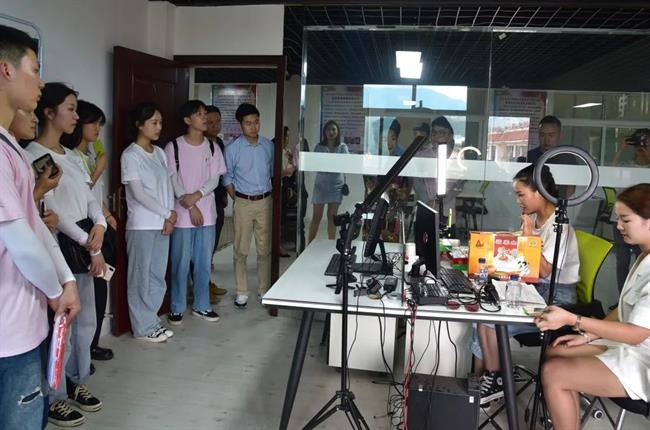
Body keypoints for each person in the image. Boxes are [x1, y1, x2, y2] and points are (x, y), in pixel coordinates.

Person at [0, 25, 80, 430]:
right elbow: (20, 241)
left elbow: (34, 226)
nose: (41, 81)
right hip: (8, 330)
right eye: (34, 68)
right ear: (6, 70)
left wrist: (66, 280)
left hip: (22, 325)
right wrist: (55, 291)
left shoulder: (10, 147)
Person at [537, 183, 650, 430]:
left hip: (643, 360)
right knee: (556, 352)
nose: (618, 226)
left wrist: (574, 320)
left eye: (625, 220)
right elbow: (624, 309)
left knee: (554, 372)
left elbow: (637, 333)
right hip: (630, 346)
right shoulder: (644, 256)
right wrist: (588, 336)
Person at [26, 82, 106, 426]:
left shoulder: (72, 155)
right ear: (49, 112)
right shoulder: (32, 156)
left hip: (87, 244)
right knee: (63, 326)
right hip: (61, 247)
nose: (76, 116)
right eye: (70, 109)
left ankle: (75, 380)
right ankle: (55, 395)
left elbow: (89, 197)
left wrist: (100, 224)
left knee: (86, 322)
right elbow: (52, 214)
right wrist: (89, 242)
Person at [472, 164, 580, 405]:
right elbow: (524, 260)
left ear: (539, 192)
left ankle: (496, 378)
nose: (517, 200)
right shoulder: (535, 219)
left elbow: (543, 270)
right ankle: (484, 376)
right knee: (481, 313)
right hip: (534, 289)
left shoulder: (559, 226)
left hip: (556, 298)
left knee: (489, 320)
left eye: (521, 194)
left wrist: (529, 236)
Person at [60, 100, 115, 362]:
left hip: (98, 226)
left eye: (100, 124)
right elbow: (85, 192)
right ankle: (83, 351)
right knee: (88, 292)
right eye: (93, 123)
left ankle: (90, 345)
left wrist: (107, 217)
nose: (97, 129)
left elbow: (94, 197)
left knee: (101, 287)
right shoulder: (71, 157)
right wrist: (99, 169)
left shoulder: (91, 151)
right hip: (81, 233)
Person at [164, 100, 225, 324]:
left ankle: (202, 305)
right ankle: (177, 306)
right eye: (199, 114)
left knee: (203, 262)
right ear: (187, 120)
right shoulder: (173, 147)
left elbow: (214, 179)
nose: (205, 118)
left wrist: (197, 196)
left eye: (205, 113)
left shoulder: (212, 147)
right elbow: (172, 180)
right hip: (182, 215)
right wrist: (189, 205)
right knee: (180, 262)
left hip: (207, 214)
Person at [121, 102, 177, 342]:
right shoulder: (130, 155)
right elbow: (138, 194)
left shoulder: (160, 153)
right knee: (140, 277)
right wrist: (167, 213)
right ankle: (143, 327)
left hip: (162, 222)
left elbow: (168, 186)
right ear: (139, 125)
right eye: (153, 122)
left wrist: (170, 215)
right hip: (142, 225)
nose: (158, 127)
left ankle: (151, 321)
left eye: (160, 122)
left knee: (156, 275)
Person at [223, 103, 273, 309]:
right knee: (241, 249)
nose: (253, 127)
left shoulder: (268, 146)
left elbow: (273, 171)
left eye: (256, 122)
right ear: (240, 125)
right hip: (243, 202)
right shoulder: (232, 149)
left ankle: (264, 289)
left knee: (264, 249)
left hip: (266, 201)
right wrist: (237, 198)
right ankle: (242, 291)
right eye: (248, 123)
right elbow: (227, 177)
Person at [610, 129, 649, 292]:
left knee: (642, 259)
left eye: (645, 144)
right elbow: (610, 174)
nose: (640, 148)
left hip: (641, 220)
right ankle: (622, 296)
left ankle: (637, 295)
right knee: (622, 260)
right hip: (621, 217)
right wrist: (621, 149)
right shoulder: (626, 166)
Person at [308, 120, 349, 243]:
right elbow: (315, 164)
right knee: (317, 216)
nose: (331, 132)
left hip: (336, 185)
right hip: (321, 185)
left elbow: (346, 164)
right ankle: (309, 245)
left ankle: (331, 245)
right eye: (328, 129)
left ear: (337, 132)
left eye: (333, 129)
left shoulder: (343, 147)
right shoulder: (319, 147)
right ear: (324, 132)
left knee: (332, 217)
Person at [205, 105, 228, 300]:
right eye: (210, 122)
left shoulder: (219, 143)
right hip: (202, 202)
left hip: (218, 201)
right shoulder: (201, 144)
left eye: (217, 121)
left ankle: (206, 282)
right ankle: (201, 286)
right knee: (202, 248)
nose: (214, 125)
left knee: (212, 244)